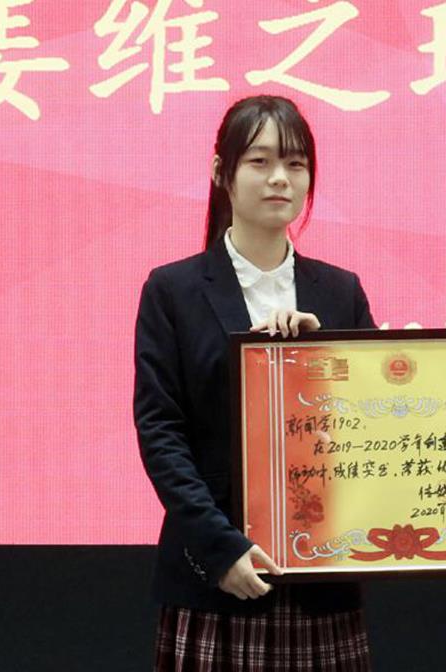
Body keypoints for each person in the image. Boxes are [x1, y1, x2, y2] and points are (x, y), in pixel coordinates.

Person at [134, 95, 375, 671]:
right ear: (222, 172)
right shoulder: (172, 290)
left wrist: (323, 357)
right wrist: (221, 549)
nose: (280, 179)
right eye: (260, 161)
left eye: (295, 163)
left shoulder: (340, 292)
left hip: (322, 576)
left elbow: (372, 427)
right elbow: (161, 432)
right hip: (217, 577)